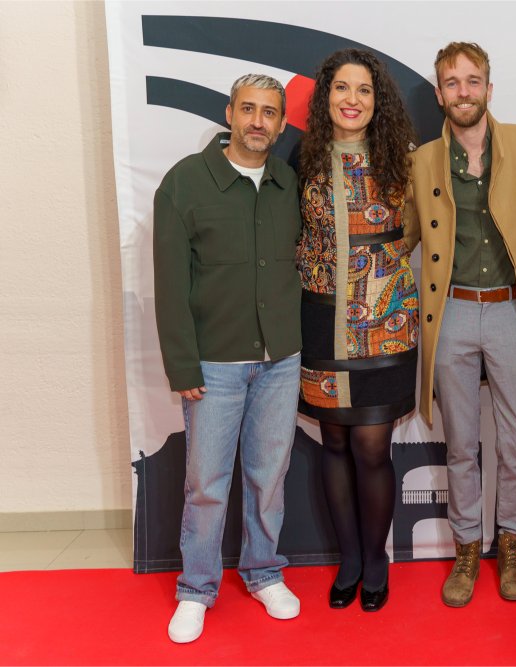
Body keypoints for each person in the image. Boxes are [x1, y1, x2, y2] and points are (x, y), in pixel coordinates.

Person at [153, 74, 303, 643]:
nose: (258, 121)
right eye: (248, 109)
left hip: (280, 360)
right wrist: (182, 365)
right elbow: (170, 284)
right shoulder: (185, 182)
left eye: (269, 112)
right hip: (214, 363)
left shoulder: (287, 182)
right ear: (229, 114)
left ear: (281, 124)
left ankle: (264, 572)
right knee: (207, 483)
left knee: (269, 477)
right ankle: (196, 588)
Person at [409, 42, 516, 607]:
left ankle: (512, 544)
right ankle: (467, 548)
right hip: (451, 311)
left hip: (513, 309)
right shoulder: (423, 160)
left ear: (489, 89)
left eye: (473, 81)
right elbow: (403, 234)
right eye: (452, 82)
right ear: (439, 93)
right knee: (461, 446)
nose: (463, 91)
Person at [295, 49, 419, 613]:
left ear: (377, 100)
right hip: (321, 321)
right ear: (326, 97)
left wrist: (384, 277)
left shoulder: (402, 160)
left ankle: (375, 559)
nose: (352, 99)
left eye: (363, 90)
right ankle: (348, 560)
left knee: (372, 446)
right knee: (335, 442)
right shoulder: (304, 158)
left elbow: (418, 230)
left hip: (385, 324)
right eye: (341, 88)